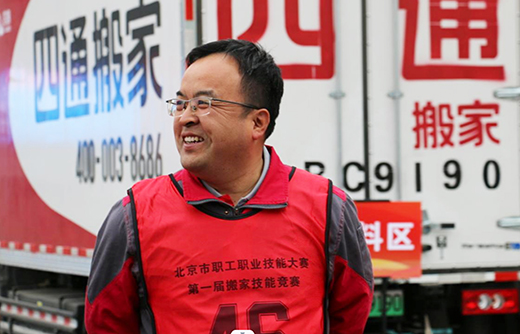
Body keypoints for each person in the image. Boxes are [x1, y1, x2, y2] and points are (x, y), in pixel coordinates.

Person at [85, 39, 373, 334]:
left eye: (203, 104)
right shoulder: (135, 215)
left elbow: (351, 314)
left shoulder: (327, 208)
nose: (186, 118)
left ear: (258, 123)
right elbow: (106, 324)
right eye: (181, 103)